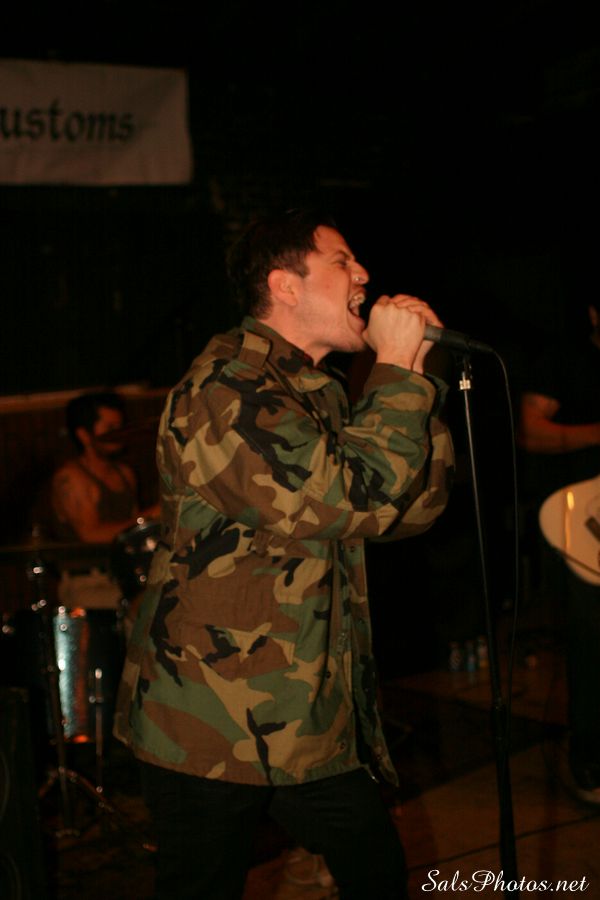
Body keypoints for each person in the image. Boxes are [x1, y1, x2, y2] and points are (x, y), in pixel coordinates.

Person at [113, 208, 455, 899]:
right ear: (285, 285)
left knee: (376, 873)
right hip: (210, 722)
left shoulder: (312, 391)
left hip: (305, 717)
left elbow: (407, 509)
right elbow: (351, 499)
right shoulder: (227, 389)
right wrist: (394, 374)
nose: (364, 275)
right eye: (342, 261)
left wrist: (415, 373)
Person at [519, 300, 600, 804]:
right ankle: (591, 760)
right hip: (585, 523)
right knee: (591, 639)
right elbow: (530, 430)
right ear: (593, 313)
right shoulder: (563, 359)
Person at [49, 390, 158, 608]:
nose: (120, 433)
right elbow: (90, 534)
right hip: (87, 582)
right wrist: (149, 517)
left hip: (124, 577)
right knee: (147, 606)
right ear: (84, 435)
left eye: (121, 426)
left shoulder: (125, 474)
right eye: (110, 428)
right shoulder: (72, 478)